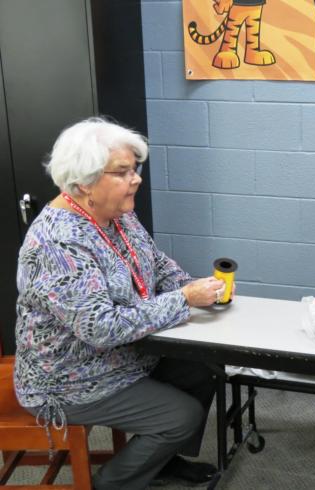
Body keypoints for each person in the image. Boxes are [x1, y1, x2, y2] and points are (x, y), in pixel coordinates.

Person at [14, 117, 227, 489]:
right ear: (85, 182)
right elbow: (101, 327)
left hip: (123, 355)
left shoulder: (115, 214)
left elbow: (155, 264)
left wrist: (193, 287)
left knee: (204, 367)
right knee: (181, 416)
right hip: (69, 379)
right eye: (123, 171)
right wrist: (183, 299)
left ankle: (160, 460)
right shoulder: (58, 242)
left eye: (135, 168)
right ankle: (111, 483)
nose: (136, 179)